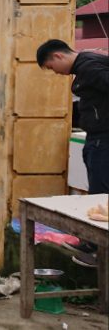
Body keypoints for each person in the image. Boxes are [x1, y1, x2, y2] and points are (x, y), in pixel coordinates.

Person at [37, 39, 109, 268]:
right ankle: (94, 245)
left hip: (103, 138)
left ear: (58, 56)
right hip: (97, 137)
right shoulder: (90, 63)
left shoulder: (89, 66)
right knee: (98, 191)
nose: (55, 73)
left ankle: (96, 247)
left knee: (100, 192)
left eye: (50, 67)